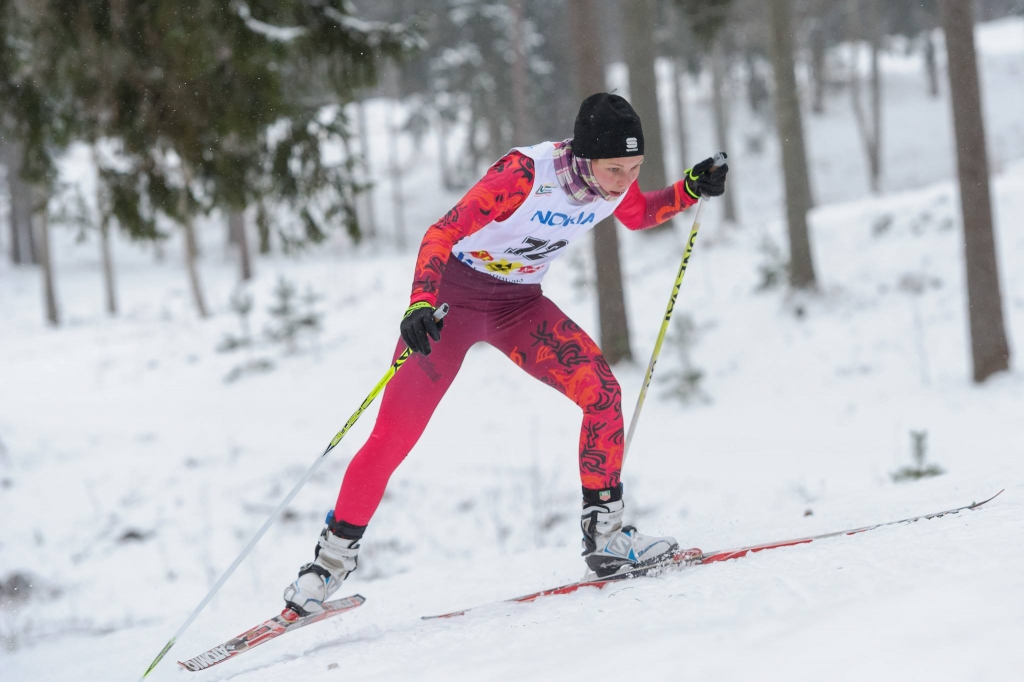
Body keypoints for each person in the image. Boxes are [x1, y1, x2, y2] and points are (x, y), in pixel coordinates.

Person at [284, 93, 728, 616]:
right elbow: (441, 232)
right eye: (615, 169)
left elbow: (638, 214)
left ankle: (606, 540)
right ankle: (325, 570)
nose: (624, 180)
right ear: (585, 156)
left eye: (635, 168)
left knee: (603, 393)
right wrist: (420, 302)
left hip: (520, 306)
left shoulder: (610, 184)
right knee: (393, 436)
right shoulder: (524, 174)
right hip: (451, 303)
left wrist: (688, 189)